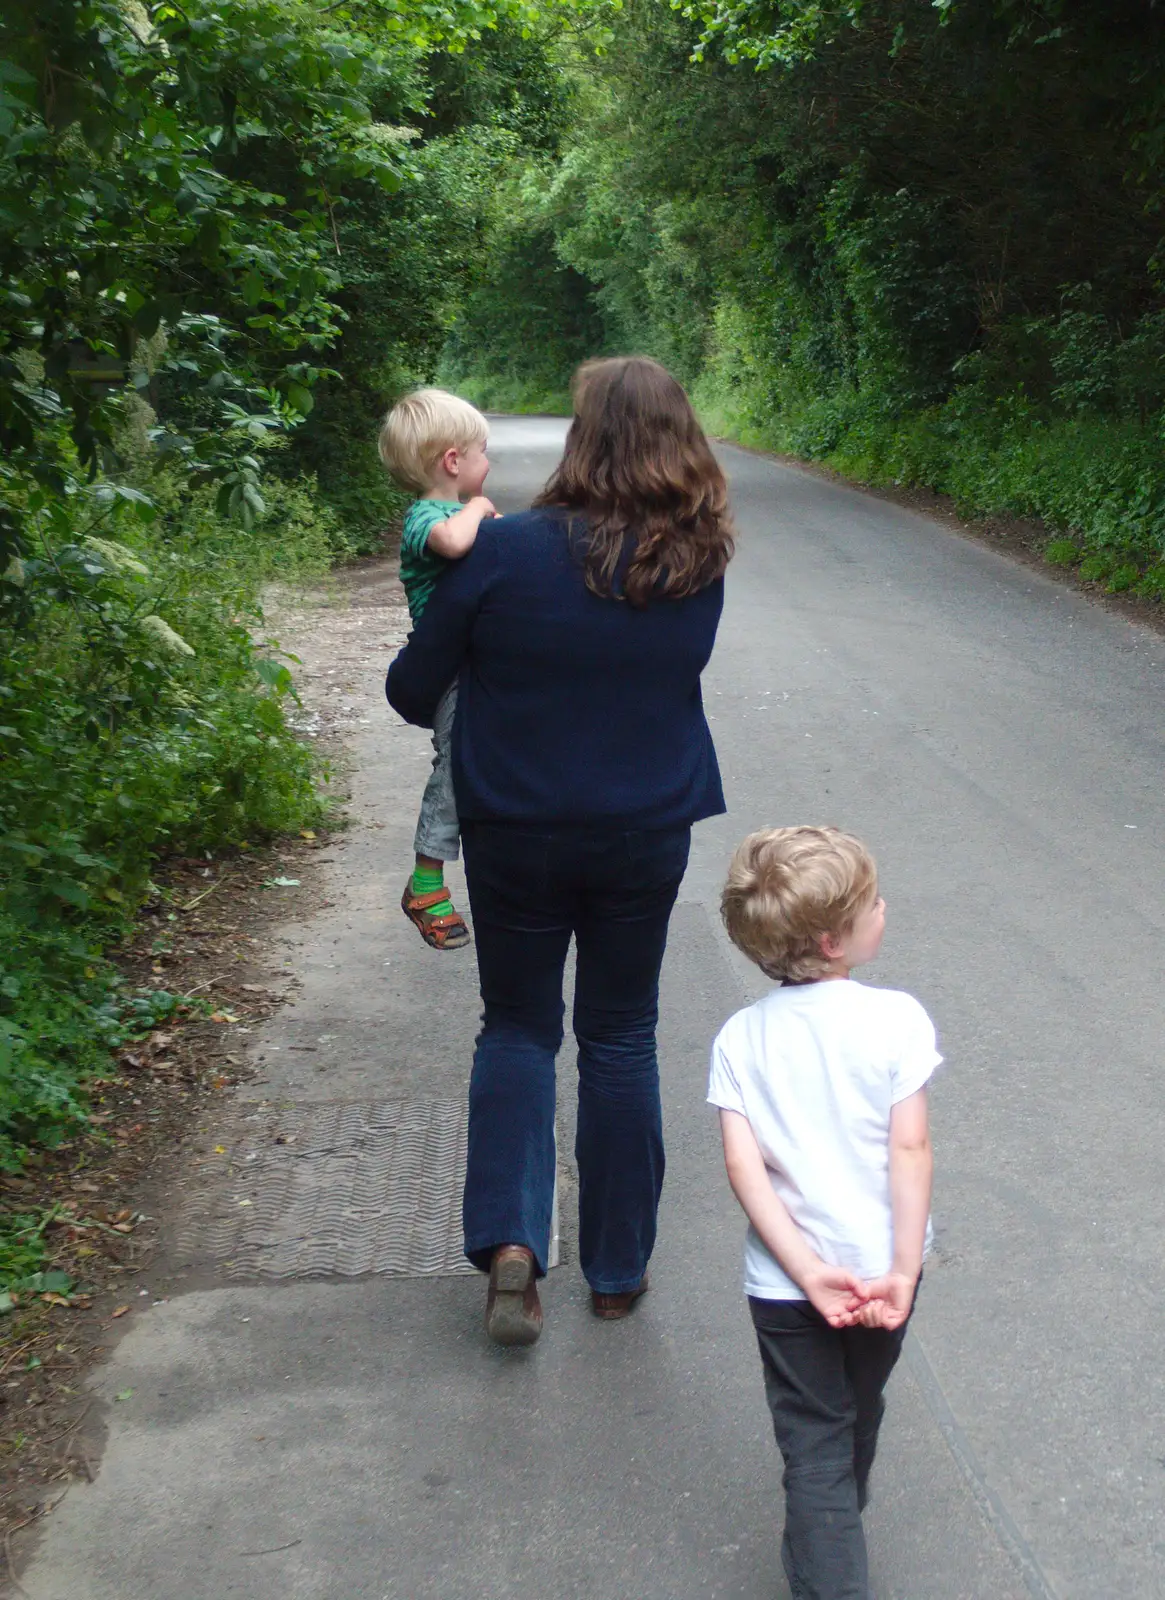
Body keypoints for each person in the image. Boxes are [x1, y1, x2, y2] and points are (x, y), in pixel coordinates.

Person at [386, 356, 734, 1345]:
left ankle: (510, 1242)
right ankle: (617, 1270)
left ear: (582, 439)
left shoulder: (505, 551)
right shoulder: (695, 562)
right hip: (643, 826)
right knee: (620, 1036)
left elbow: (417, 691)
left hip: (517, 827)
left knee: (519, 1027)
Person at [708, 825, 938, 1600]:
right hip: (881, 1272)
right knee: (854, 1411)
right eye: (874, 902)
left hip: (785, 1287)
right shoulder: (897, 1019)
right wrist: (902, 1269)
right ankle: (832, 1532)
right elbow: (909, 1152)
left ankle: (823, 1529)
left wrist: (805, 1269)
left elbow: (745, 1168)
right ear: (835, 940)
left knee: (812, 1437)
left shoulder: (741, 1037)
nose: (886, 908)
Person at [378, 387, 497, 951]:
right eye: (482, 452)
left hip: (481, 660)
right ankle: (426, 881)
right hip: (446, 665)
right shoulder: (428, 515)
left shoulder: (461, 511)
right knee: (453, 766)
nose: (488, 463)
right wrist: (477, 509)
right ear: (453, 461)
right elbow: (452, 544)